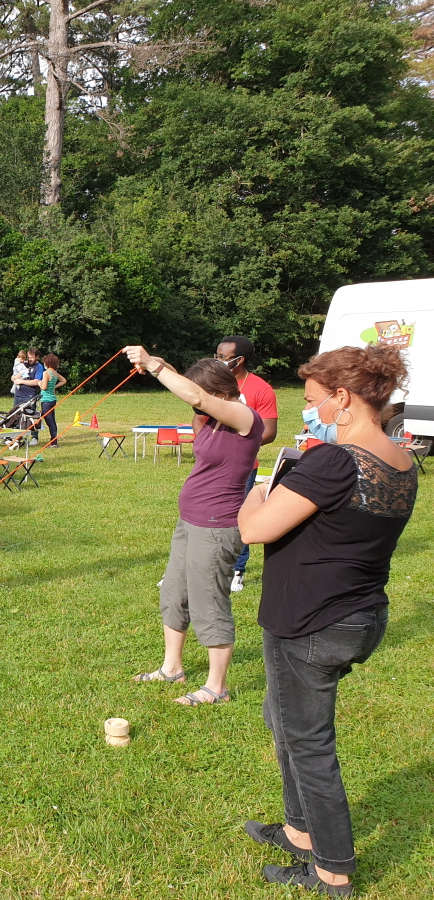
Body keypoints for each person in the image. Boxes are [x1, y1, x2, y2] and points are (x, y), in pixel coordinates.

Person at [237, 345, 416, 897]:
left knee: (308, 742)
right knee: (283, 720)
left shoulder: (335, 461)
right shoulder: (401, 459)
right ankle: (299, 831)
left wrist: (260, 490)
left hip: (310, 621)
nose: (308, 413)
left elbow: (256, 529)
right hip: (355, 615)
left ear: (342, 399)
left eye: (313, 402)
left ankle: (333, 870)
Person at [125, 346, 263, 706]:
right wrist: (149, 360)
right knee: (174, 593)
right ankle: (173, 668)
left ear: (219, 393)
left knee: (209, 602)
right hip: (190, 520)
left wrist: (156, 366)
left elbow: (196, 393)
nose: (194, 405)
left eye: (201, 398)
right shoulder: (209, 415)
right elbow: (193, 391)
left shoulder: (244, 417)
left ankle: (217, 687)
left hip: (217, 525)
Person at [215, 336, 279, 592]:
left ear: (238, 360)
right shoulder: (214, 383)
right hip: (213, 465)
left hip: (243, 467)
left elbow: (270, 432)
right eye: (216, 356)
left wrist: (236, 447)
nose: (217, 361)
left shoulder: (261, 389)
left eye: (222, 357)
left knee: (239, 518)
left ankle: (237, 570)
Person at [9, 347, 44, 441]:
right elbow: (13, 377)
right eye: (28, 357)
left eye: (32, 357)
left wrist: (20, 381)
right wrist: (16, 377)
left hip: (29, 396)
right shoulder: (23, 363)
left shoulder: (39, 367)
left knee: (31, 416)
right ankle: (16, 436)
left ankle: (34, 437)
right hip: (18, 394)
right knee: (15, 415)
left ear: (37, 357)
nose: (29, 359)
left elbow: (36, 382)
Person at [39, 353, 67, 447]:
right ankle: (53, 440)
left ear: (47, 362)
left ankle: (54, 442)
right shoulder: (55, 373)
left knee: (50, 421)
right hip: (53, 400)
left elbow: (44, 387)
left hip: (46, 400)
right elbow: (64, 380)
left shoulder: (46, 373)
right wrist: (55, 386)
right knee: (52, 421)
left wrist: (39, 383)